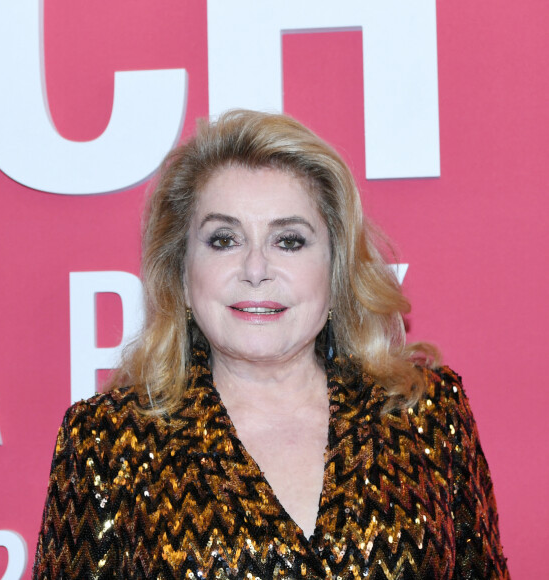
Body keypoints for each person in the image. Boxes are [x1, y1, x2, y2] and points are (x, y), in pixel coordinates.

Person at [33, 110, 510, 579]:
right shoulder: (108, 441)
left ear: (336, 268)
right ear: (181, 273)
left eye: (289, 241)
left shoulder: (426, 414)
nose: (256, 269)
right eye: (223, 240)